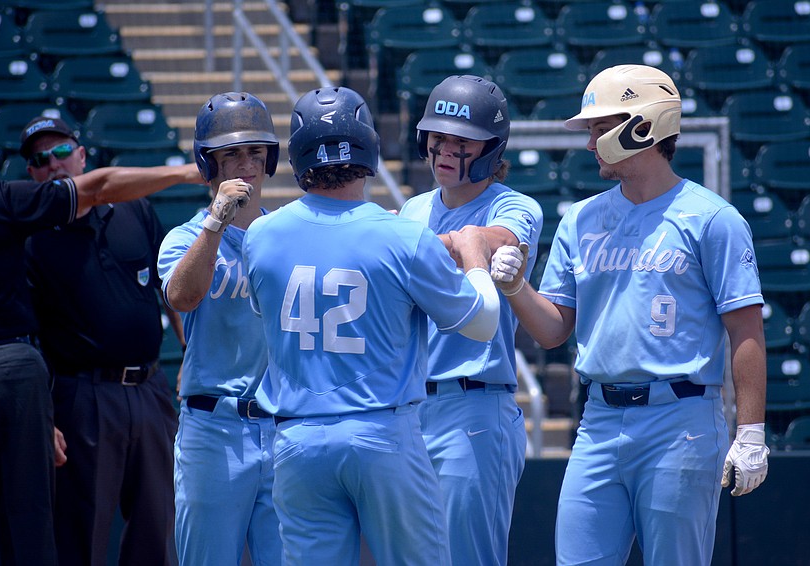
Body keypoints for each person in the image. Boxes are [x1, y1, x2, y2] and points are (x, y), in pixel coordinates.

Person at [490, 64, 769, 566]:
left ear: (644, 124)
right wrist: (515, 288)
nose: (591, 141)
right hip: (598, 418)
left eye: (600, 128)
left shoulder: (714, 219)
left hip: (680, 418)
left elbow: (745, 329)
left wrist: (750, 432)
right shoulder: (581, 217)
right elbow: (554, 330)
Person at [242, 86, 501, 566]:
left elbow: (266, 313)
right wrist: (474, 258)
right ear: (367, 148)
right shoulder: (402, 233)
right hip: (382, 433)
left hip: (296, 441)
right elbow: (481, 324)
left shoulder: (261, 234)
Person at [0, 127, 201, 566]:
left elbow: (169, 286)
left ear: (82, 155)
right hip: (84, 396)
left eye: (61, 152)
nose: (54, 163)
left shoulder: (134, 208)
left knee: (158, 529)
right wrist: (47, 417)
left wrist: (188, 350)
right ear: (32, 174)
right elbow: (29, 334)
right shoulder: (28, 236)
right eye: (41, 160)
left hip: (149, 387)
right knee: (82, 535)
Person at [397, 74, 543, 565]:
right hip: (410, 407)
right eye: (437, 137)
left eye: (461, 142)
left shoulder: (514, 205)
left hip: (473, 406)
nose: (444, 150)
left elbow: (496, 239)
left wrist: (437, 251)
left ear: (489, 149)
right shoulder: (412, 210)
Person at [156, 92, 283, 565]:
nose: (246, 164)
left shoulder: (287, 234)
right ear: (208, 165)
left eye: (255, 152)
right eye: (231, 154)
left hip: (281, 424)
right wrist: (216, 222)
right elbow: (182, 298)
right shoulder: (186, 236)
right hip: (214, 428)